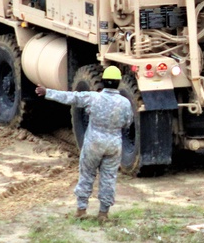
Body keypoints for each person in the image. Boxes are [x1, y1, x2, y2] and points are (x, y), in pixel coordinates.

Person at [36, 66, 133, 223]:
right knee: (108, 178)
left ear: (103, 82)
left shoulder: (93, 97)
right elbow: (127, 123)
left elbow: (71, 97)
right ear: (118, 83)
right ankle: (103, 214)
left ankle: (81, 210)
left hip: (93, 144)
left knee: (87, 175)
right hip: (114, 145)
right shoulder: (125, 103)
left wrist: (47, 92)